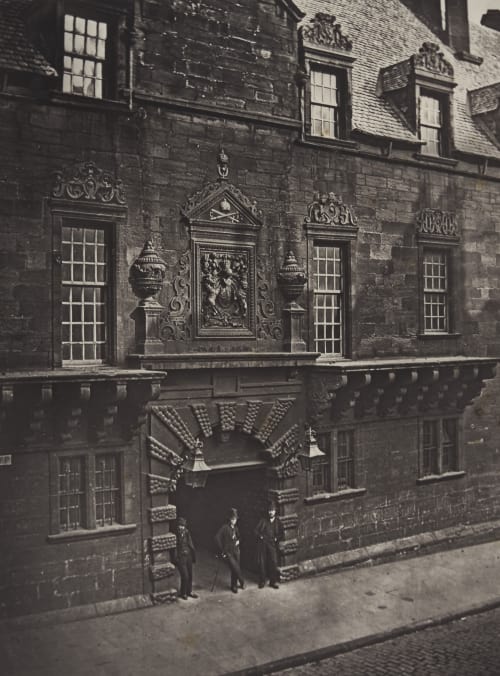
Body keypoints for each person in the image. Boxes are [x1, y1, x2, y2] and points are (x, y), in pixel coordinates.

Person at [215, 507, 245, 593]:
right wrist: (222, 549)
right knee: (234, 567)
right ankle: (241, 582)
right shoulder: (225, 527)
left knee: (235, 568)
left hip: (236, 551)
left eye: (235, 519)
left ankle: (234, 585)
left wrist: (238, 541)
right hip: (229, 552)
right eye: (232, 519)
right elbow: (217, 538)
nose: (234, 521)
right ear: (229, 519)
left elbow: (239, 537)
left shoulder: (236, 528)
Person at [255, 502, 284, 589]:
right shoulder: (263, 520)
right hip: (263, 544)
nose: (270, 512)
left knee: (273, 562)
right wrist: (260, 536)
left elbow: (281, 534)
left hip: (272, 545)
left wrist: (276, 539)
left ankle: (273, 581)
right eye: (269, 511)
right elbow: (255, 531)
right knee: (262, 562)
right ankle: (262, 581)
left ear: (275, 511)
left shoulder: (278, 522)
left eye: (272, 511)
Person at [172, 517, 198, 600]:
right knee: (185, 576)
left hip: (188, 556)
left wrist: (193, 555)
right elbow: (175, 547)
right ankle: (183, 593)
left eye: (183, 526)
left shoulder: (187, 532)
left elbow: (190, 543)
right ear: (178, 526)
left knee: (190, 575)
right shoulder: (175, 535)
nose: (181, 528)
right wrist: (176, 558)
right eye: (180, 526)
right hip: (181, 557)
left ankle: (189, 592)